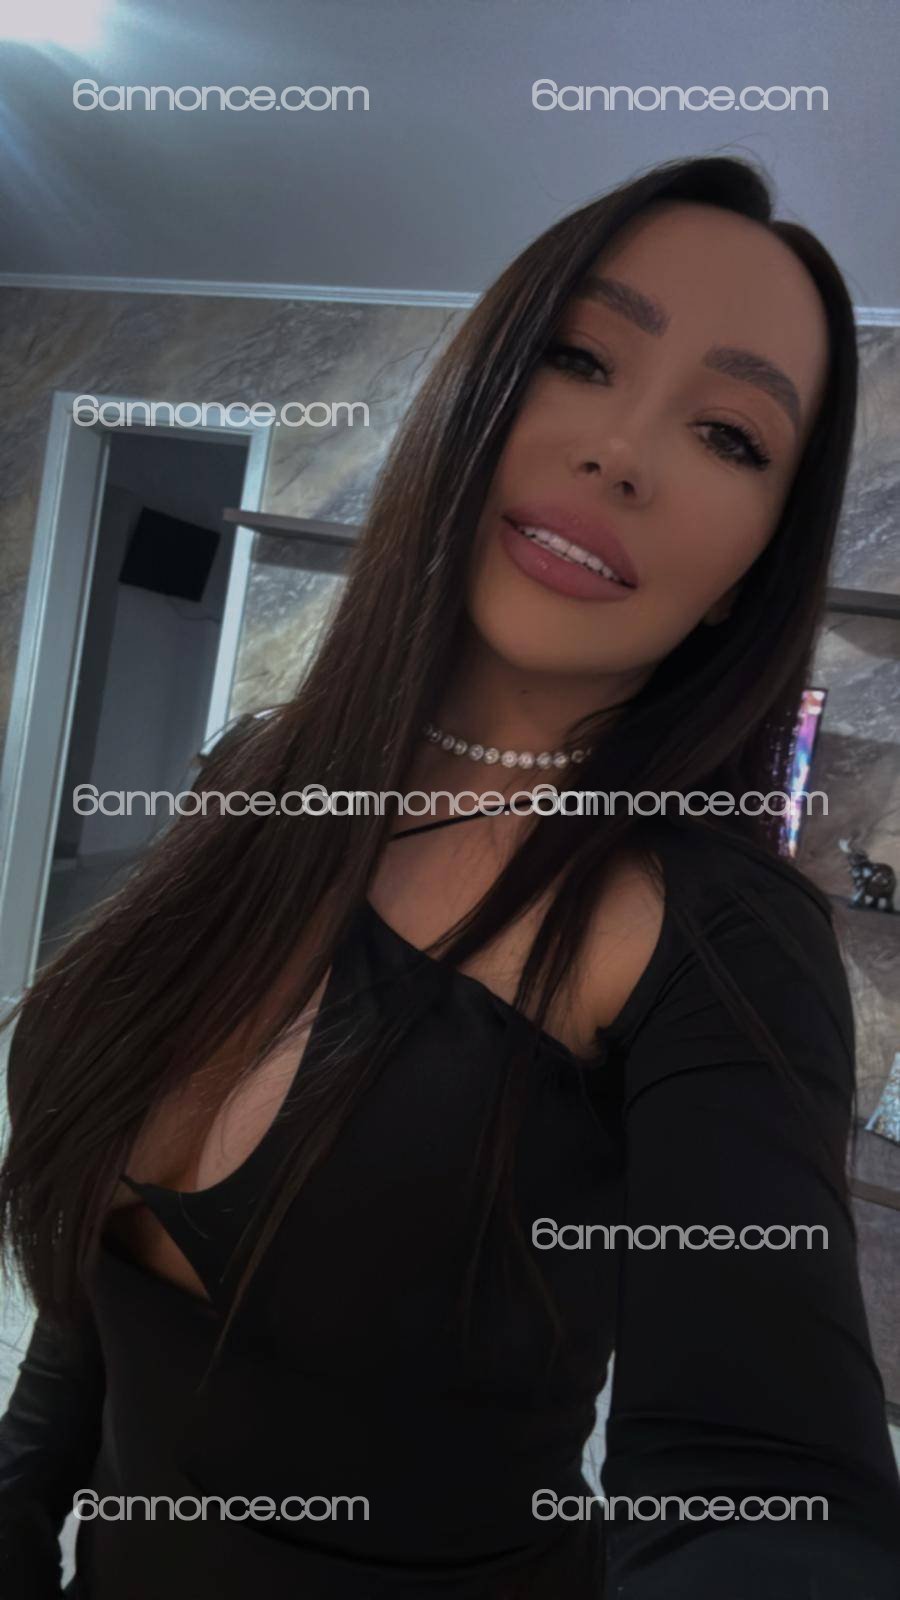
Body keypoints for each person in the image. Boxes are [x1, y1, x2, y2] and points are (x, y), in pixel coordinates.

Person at [2, 154, 899, 1599]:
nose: (622, 454)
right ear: (471, 396)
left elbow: (764, 1485)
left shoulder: (717, 938)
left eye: (730, 435)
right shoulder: (259, 775)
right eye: (580, 358)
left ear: (750, 570)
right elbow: (92, 1284)